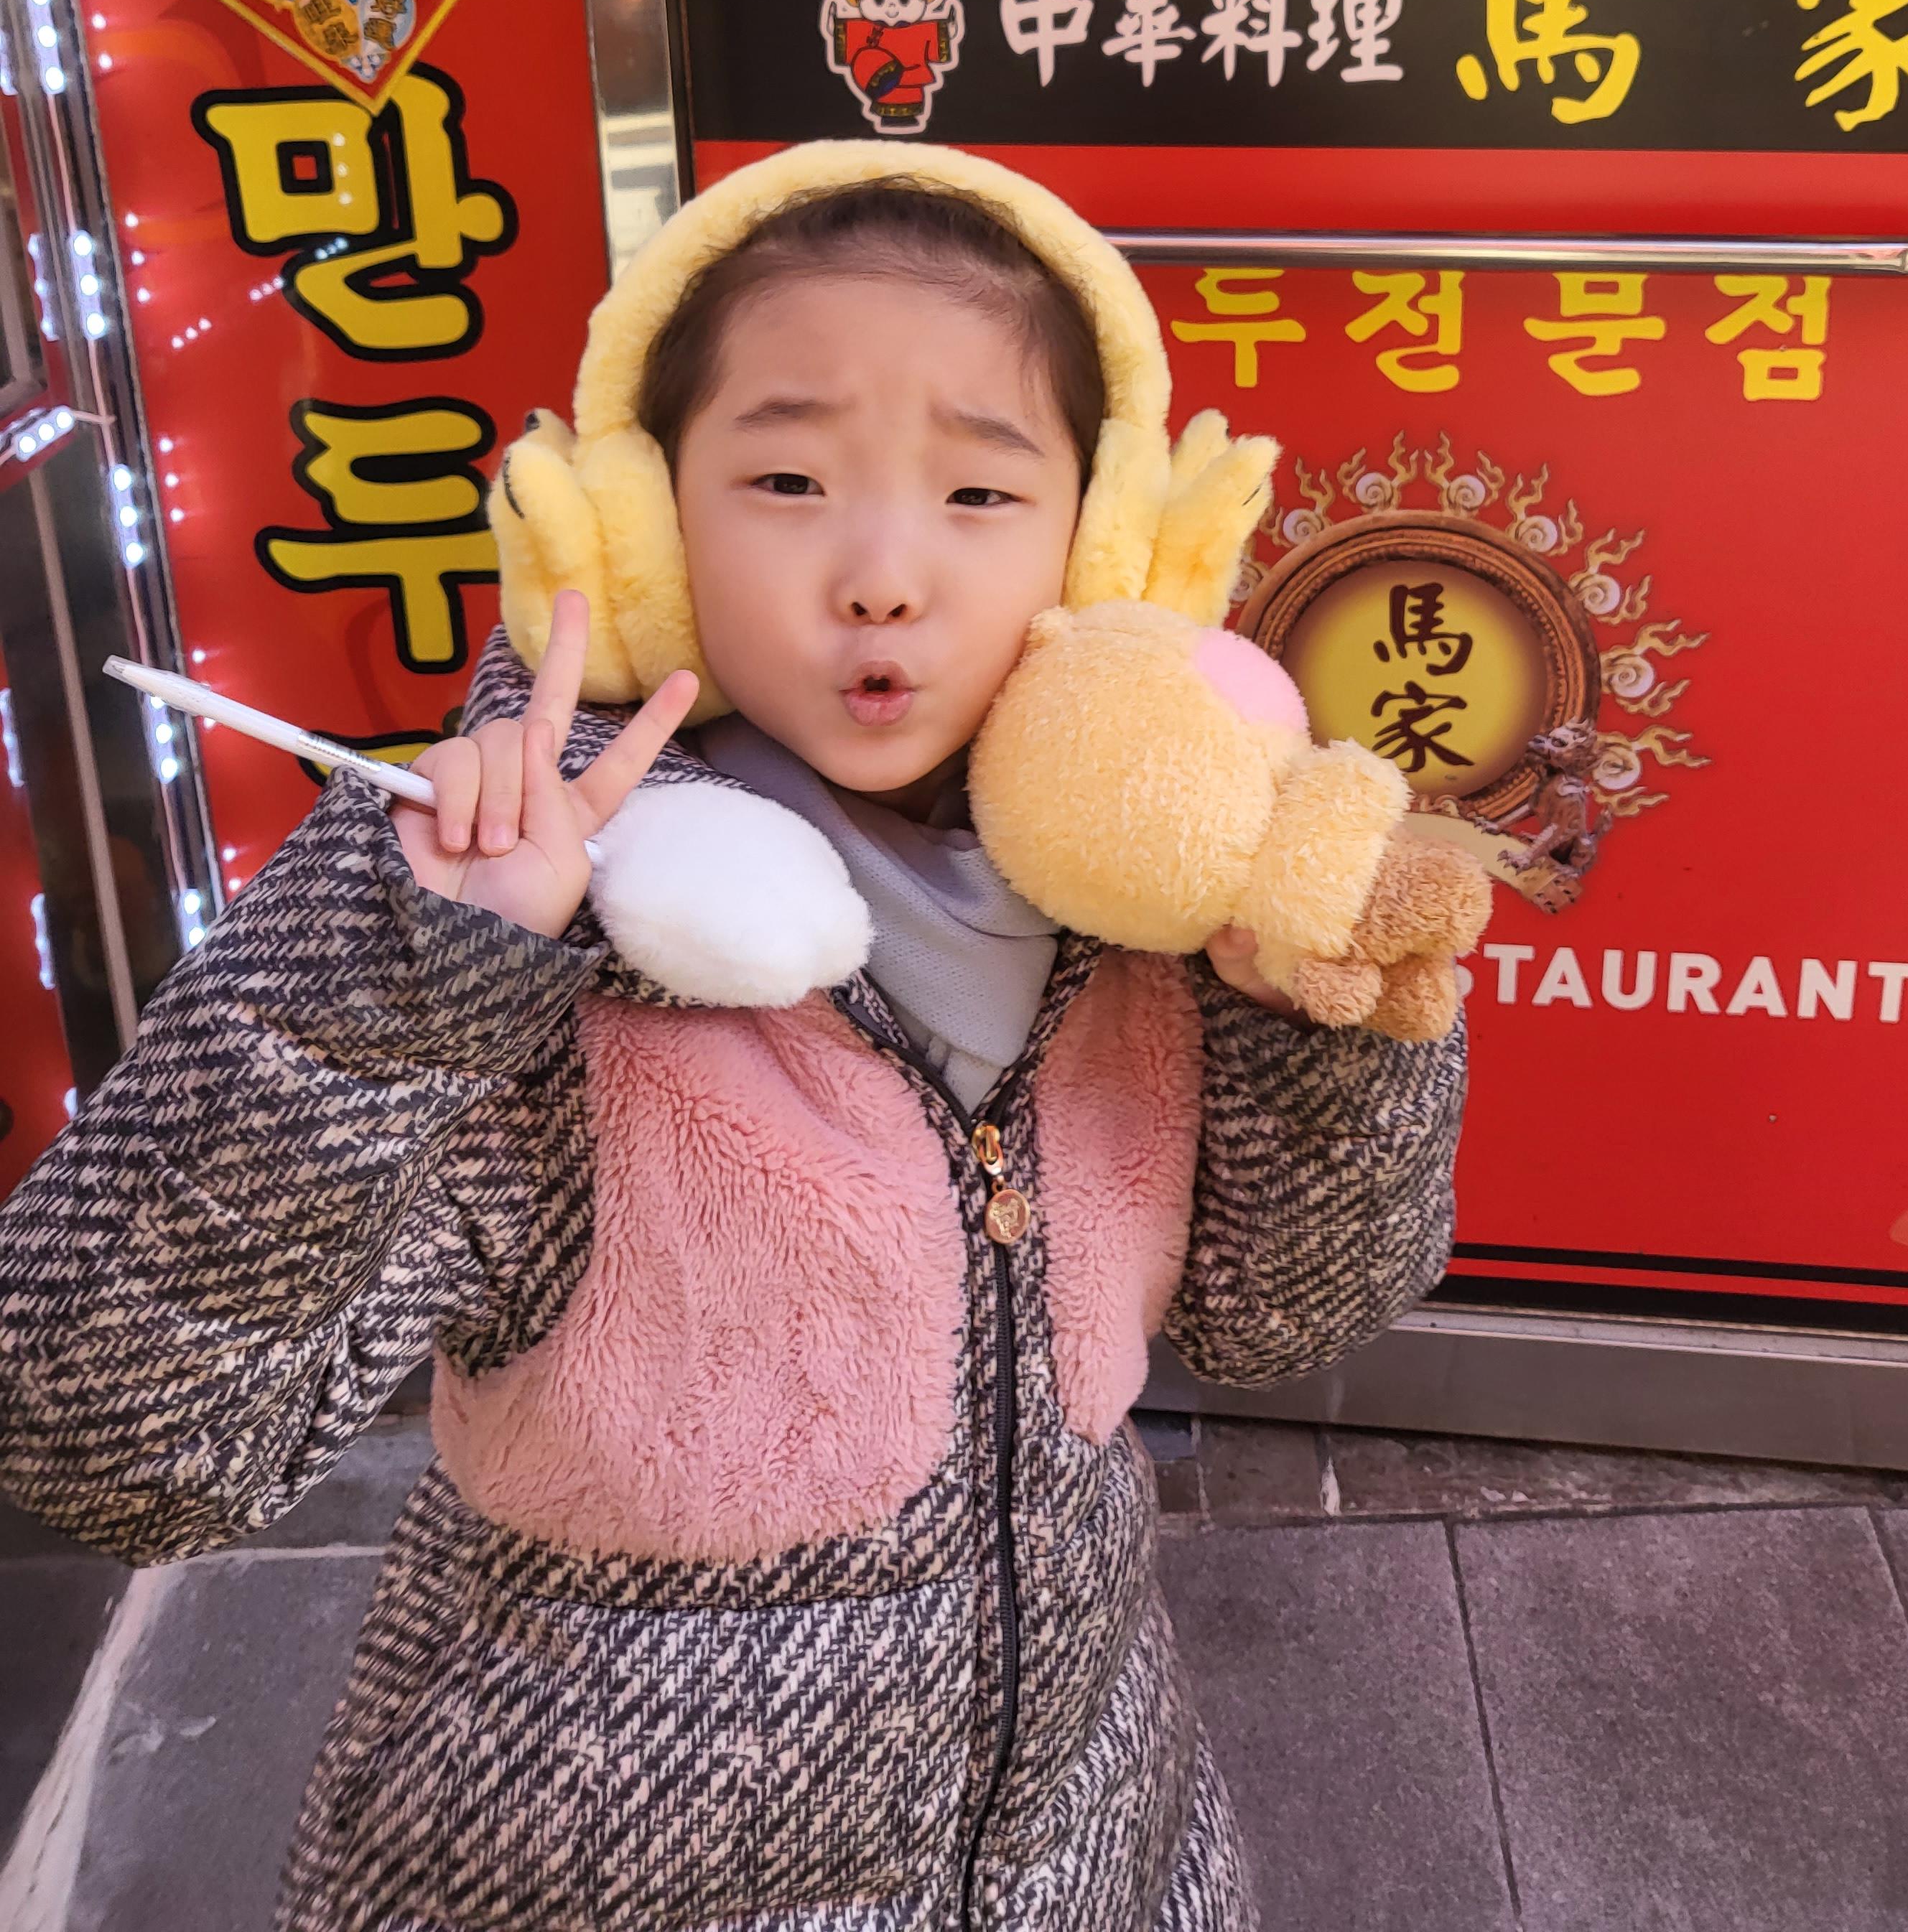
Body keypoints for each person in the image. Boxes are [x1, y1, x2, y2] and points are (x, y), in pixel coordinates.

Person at [0, 145, 1487, 1929]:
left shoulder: (1134, 914)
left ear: (1100, 550)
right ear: (639, 535)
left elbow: (1285, 1312)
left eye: (977, 493)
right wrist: (399, 984)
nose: (881, 574)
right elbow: (104, 1438)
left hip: (1089, 1847)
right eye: (786, 477)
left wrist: (1311, 1025)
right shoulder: (528, 946)